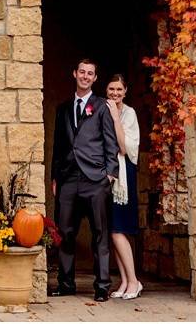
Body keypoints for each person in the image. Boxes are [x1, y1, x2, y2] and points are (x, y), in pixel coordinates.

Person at [49, 59, 120, 302]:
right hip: (68, 178)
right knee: (64, 233)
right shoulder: (64, 108)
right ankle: (66, 283)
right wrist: (54, 177)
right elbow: (58, 146)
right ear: (75, 73)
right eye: (82, 72)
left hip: (95, 179)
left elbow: (110, 143)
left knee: (100, 233)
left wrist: (109, 174)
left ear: (95, 78)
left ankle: (102, 286)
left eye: (90, 73)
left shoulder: (102, 107)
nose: (86, 76)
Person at [106, 74, 143, 300]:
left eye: (119, 89)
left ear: (125, 91)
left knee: (119, 230)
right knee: (113, 231)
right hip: (109, 174)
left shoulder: (129, 114)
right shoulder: (103, 109)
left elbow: (123, 147)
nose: (115, 93)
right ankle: (125, 281)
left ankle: (134, 281)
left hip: (124, 173)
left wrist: (115, 118)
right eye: (111, 89)